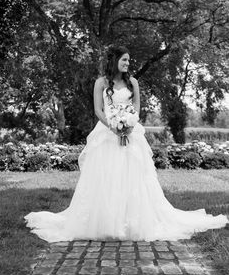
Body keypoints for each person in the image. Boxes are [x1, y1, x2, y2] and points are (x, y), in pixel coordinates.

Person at [24, 45, 228, 243]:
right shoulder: (100, 83)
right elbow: (98, 110)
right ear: (114, 60)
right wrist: (112, 126)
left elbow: (137, 108)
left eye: (129, 60)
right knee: (107, 175)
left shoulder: (133, 83)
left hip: (131, 133)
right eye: (124, 60)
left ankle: (133, 221)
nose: (128, 63)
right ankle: (104, 222)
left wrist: (129, 124)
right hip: (106, 133)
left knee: (133, 175)